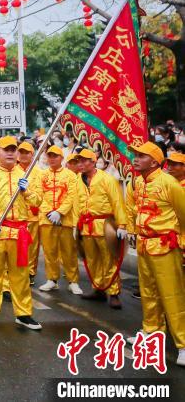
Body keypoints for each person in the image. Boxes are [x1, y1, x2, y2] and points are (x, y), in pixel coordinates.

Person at [0, 136, 42, 331]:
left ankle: (23, 314)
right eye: (7, 149)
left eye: (14, 149)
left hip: (19, 233)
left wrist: (27, 191)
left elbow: (38, 201)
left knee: (20, 276)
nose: (11, 153)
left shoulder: (26, 175)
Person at [126, 142, 185, 367]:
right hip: (144, 245)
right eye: (136, 155)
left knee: (172, 295)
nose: (136, 158)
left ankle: (182, 344)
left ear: (154, 161)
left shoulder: (169, 183)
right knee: (148, 294)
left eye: (141, 156)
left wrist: (182, 242)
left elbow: (183, 214)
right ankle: (151, 335)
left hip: (164, 245)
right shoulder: (139, 182)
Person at [75, 148, 127, 309]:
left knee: (109, 259)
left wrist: (122, 224)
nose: (81, 164)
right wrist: (75, 224)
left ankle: (114, 292)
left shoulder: (107, 179)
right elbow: (75, 202)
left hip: (104, 225)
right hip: (86, 225)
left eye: (85, 160)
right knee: (91, 259)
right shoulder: (78, 179)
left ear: (93, 161)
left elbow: (117, 202)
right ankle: (97, 288)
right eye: (79, 161)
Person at [37, 146, 82, 295]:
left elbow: (72, 196)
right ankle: (52, 279)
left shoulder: (70, 176)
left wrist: (60, 212)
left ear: (62, 158)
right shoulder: (42, 175)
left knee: (69, 251)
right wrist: (49, 211)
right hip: (46, 218)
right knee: (49, 251)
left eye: (55, 156)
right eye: (49, 156)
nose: (52, 159)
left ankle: (73, 281)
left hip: (65, 219)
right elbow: (38, 195)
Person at [17, 141, 42, 286]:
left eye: (27, 152)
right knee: (17, 246)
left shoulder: (38, 172)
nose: (24, 155)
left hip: (32, 215)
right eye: (21, 152)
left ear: (32, 155)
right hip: (17, 215)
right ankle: (16, 271)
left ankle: (30, 272)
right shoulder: (13, 170)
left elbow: (40, 194)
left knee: (32, 247)